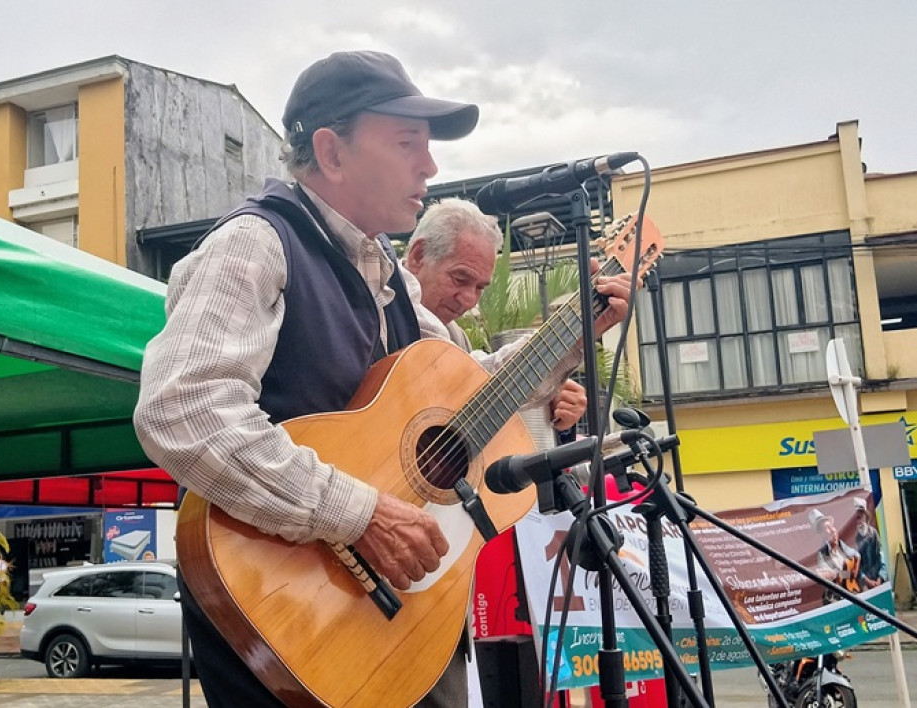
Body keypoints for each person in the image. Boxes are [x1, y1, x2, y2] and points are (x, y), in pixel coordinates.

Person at [134, 50, 633, 708]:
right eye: (406, 143)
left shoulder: (389, 276)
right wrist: (358, 513)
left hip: (377, 619)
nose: (429, 166)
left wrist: (573, 331)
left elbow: (471, 391)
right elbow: (184, 409)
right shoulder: (255, 242)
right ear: (331, 151)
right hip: (281, 607)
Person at [403, 197, 588, 434]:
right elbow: (486, 387)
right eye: (460, 279)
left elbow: (472, 419)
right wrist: (579, 326)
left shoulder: (456, 337)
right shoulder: (381, 303)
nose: (469, 300)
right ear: (419, 256)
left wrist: (551, 411)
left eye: (480, 287)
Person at [809, 507, 862, 604]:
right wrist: (846, 574)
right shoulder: (823, 554)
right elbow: (827, 576)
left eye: (832, 526)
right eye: (827, 528)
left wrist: (855, 569)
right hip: (836, 597)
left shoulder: (842, 545)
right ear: (821, 534)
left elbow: (856, 554)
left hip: (852, 590)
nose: (832, 530)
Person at [852, 496, 886, 588]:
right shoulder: (854, 539)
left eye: (859, 517)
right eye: (855, 519)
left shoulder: (873, 533)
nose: (858, 522)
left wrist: (880, 578)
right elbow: (856, 566)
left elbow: (881, 556)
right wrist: (867, 581)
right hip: (864, 582)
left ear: (866, 517)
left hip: (879, 577)